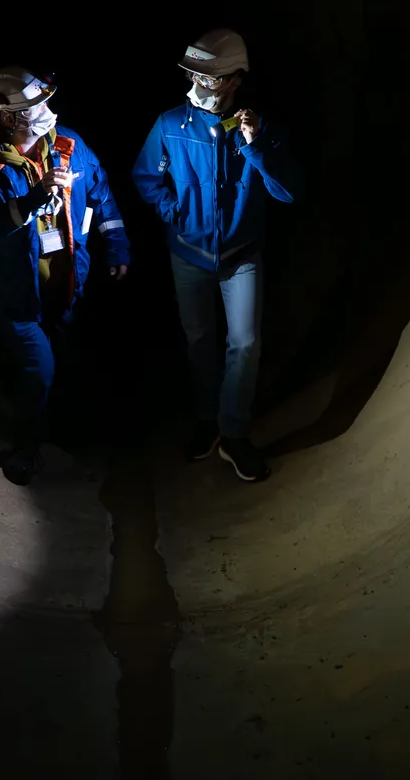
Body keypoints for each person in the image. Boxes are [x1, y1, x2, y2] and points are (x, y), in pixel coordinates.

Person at [131, 29, 299, 482]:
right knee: (200, 342)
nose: (196, 85)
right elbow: (146, 177)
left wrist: (254, 144)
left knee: (244, 343)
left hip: (241, 255)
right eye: (193, 75)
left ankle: (234, 433)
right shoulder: (170, 124)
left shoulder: (259, 128)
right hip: (188, 255)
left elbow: (285, 192)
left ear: (233, 80)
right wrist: (176, 214)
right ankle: (207, 421)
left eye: (207, 77)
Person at [0, 67, 131, 485]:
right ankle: (25, 447)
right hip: (17, 297)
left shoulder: (68, 146)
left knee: (64, 366)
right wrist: (34, 198)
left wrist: (117, 246)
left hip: (66, 287)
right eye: (36, 106)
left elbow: (101, 194)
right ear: (8, 118)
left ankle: (61, 432)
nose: (48, 111)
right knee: (38, 371)